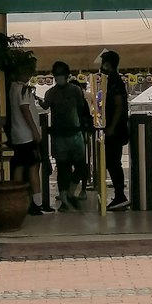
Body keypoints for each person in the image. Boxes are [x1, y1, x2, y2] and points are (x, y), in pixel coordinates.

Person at [44, 61, 88, 211]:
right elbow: (82, 109)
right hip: (69, 135)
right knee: (67, 168)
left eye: (60, 74)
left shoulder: (55, 92)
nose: (59, 77)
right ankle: (66, 197)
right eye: (57, 74)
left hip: (67, 135)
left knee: (73, 167)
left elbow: (45, 106)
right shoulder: (72, 91)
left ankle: (67, 195)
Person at [6, 55, 47, 216]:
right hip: (27, 136)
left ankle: (18, 199)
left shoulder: (12, 88)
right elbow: (25, 109)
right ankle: (37, 204)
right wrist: (35, 132)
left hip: (17, 135)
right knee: (33, 168)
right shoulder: (23, 89)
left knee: (19, 167)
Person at [100, 49, 129, 210]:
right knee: (112, 162)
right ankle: (119, 194)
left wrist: (111, 127)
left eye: (103, 62)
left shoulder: (115, 81)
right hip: (115, 128)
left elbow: (118, 106)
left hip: (116, 130)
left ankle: (120, 195)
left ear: (108, 64)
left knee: (113, 162)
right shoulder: (111, 81)